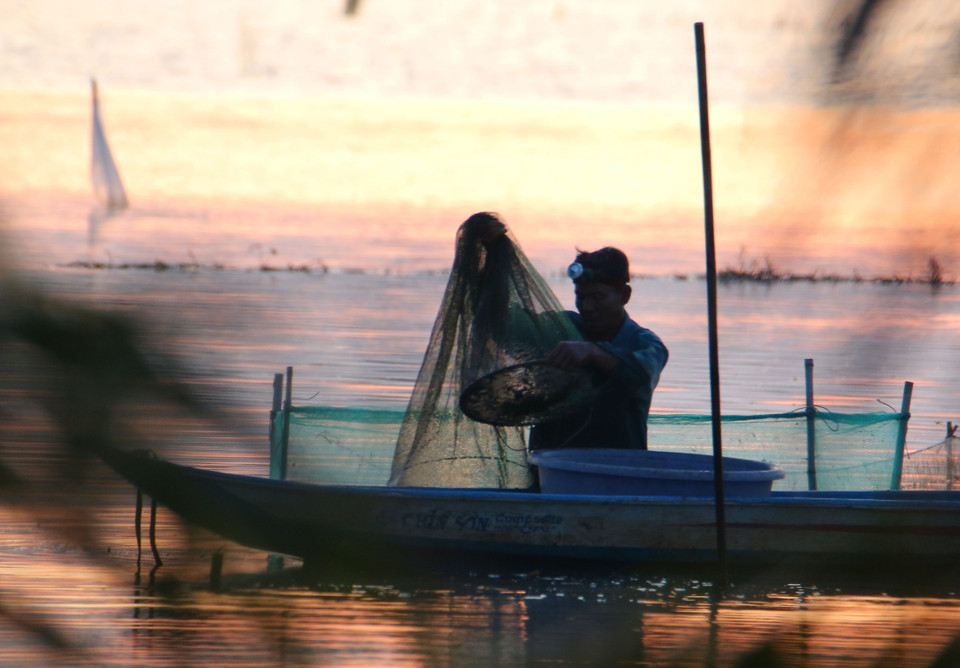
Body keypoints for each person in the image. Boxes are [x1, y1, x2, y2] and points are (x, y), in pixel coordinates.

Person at [528, 247, 668, 450]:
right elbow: (508, 324)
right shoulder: (563, 328)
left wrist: (593, 352)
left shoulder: (646, 344)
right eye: (581, 297)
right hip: (550, 468)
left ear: (624, 296)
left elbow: (641, 377)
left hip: (614, 470)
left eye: (598, 297)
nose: (587, 307)